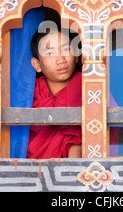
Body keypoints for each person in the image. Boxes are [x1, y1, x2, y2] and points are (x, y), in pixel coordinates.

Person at [26, 22, 82, 159]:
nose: (61, 59)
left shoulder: (91, 89)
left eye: (66, 49)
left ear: (77, 55)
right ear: (37, 64)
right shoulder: (27, 95)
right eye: (50, 52)